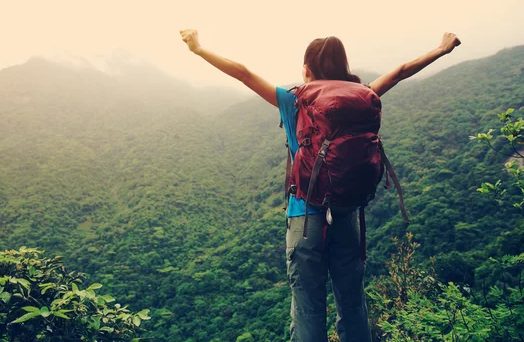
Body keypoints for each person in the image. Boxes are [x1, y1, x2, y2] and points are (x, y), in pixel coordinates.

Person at [180, 29, 461, 342]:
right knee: (352, 302)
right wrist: (441, 49)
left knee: (308, 307)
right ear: (343, 65)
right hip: (349, 214)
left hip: (305, 216)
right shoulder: (363, 94)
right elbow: (400, 73)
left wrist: (199, 49)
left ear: (307, 69)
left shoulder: (295, 100)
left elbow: (244, 74)